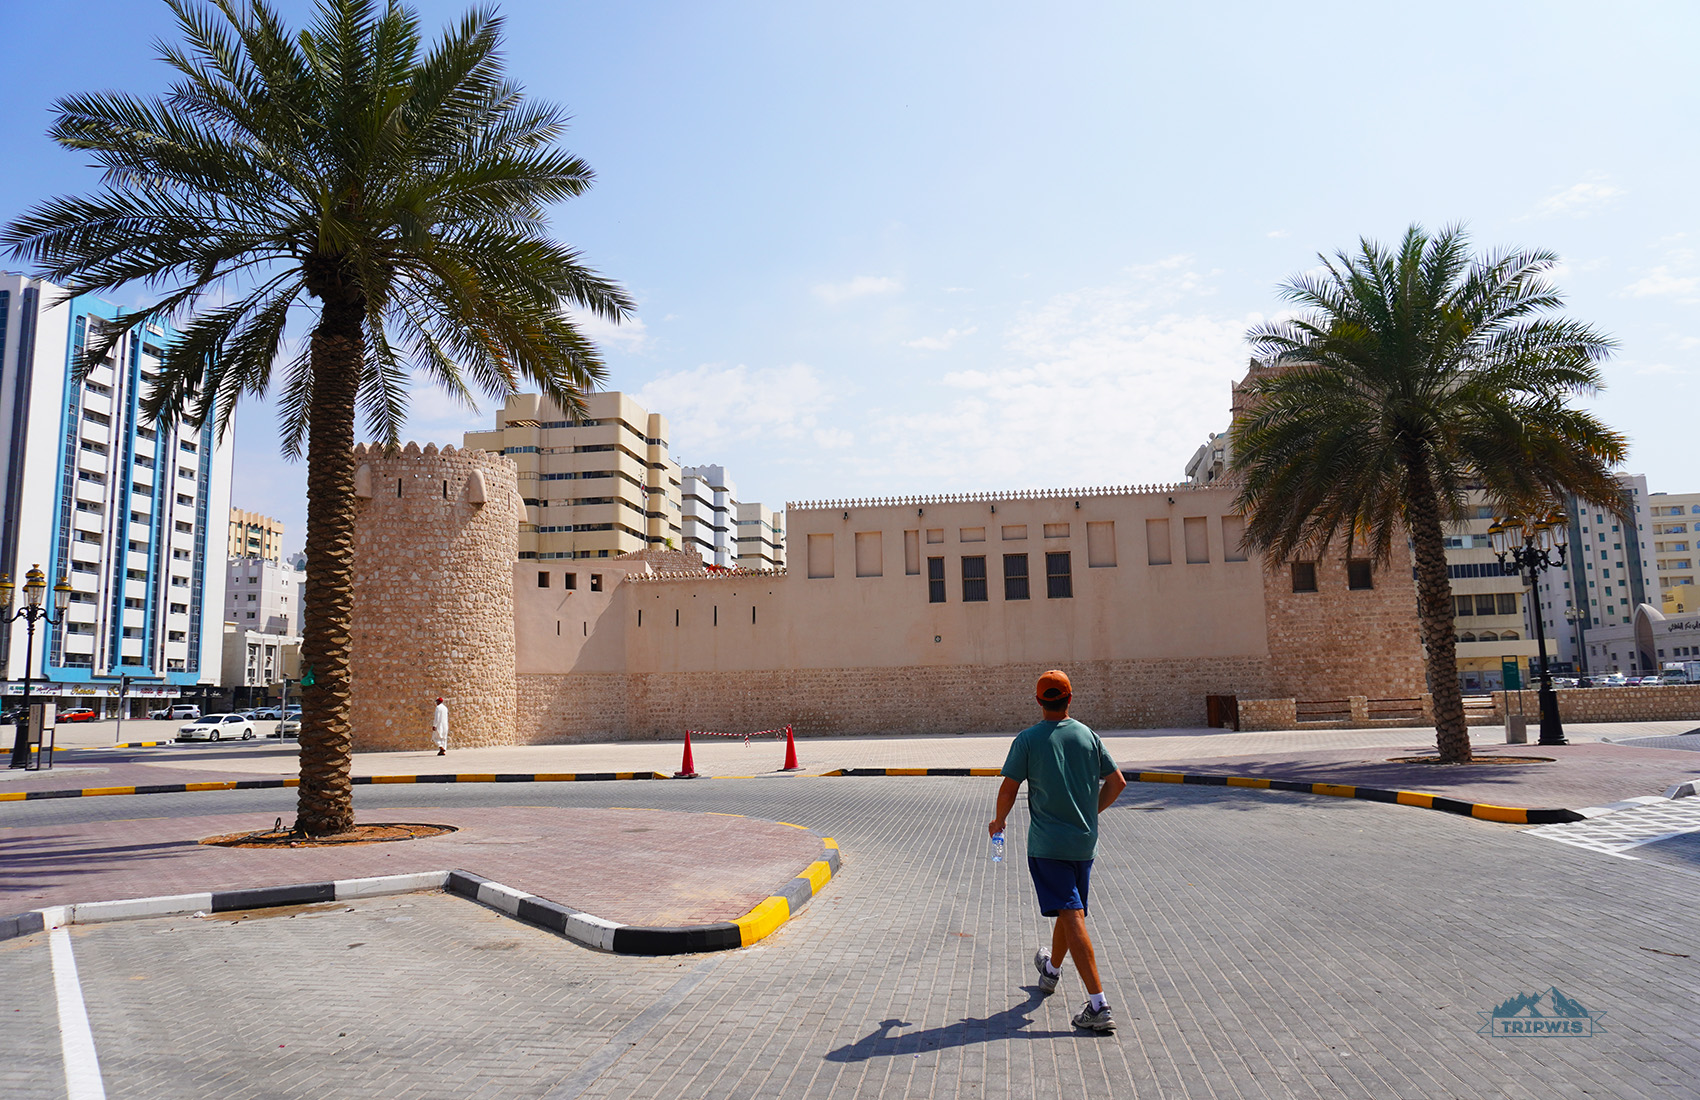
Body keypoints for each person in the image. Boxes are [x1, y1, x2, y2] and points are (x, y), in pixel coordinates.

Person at [988, 669, 1127, 1032]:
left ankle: (1099, 1004)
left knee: (1071, 915)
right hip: (1084, 843)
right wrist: (1090, 814)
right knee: (1071, 911)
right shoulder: (1088, 736)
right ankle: (1050, 972)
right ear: (1070, 698)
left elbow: (1008, 788)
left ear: (1038, 701)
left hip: (1048, 845)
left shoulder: (1029, 740)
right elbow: (1117, 783)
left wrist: (998, 821)